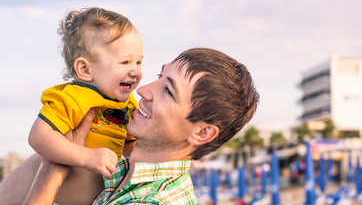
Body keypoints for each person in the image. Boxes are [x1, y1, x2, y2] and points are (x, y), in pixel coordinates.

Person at [23, 47, 259, 205]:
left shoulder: (155, 201)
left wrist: (52, 171)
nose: (143, 90)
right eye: (159, 75)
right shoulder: (118, 171)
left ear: (202, 132)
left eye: (168, 91)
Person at [0, 7, 143, 204]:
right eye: (125, 62)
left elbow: (131, 149)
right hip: (57, 197)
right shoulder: (73, 98)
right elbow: (39, 137)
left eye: (139, 62)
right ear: (84, 69)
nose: (135, 71)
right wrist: (86, 157)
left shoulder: (127, 104)